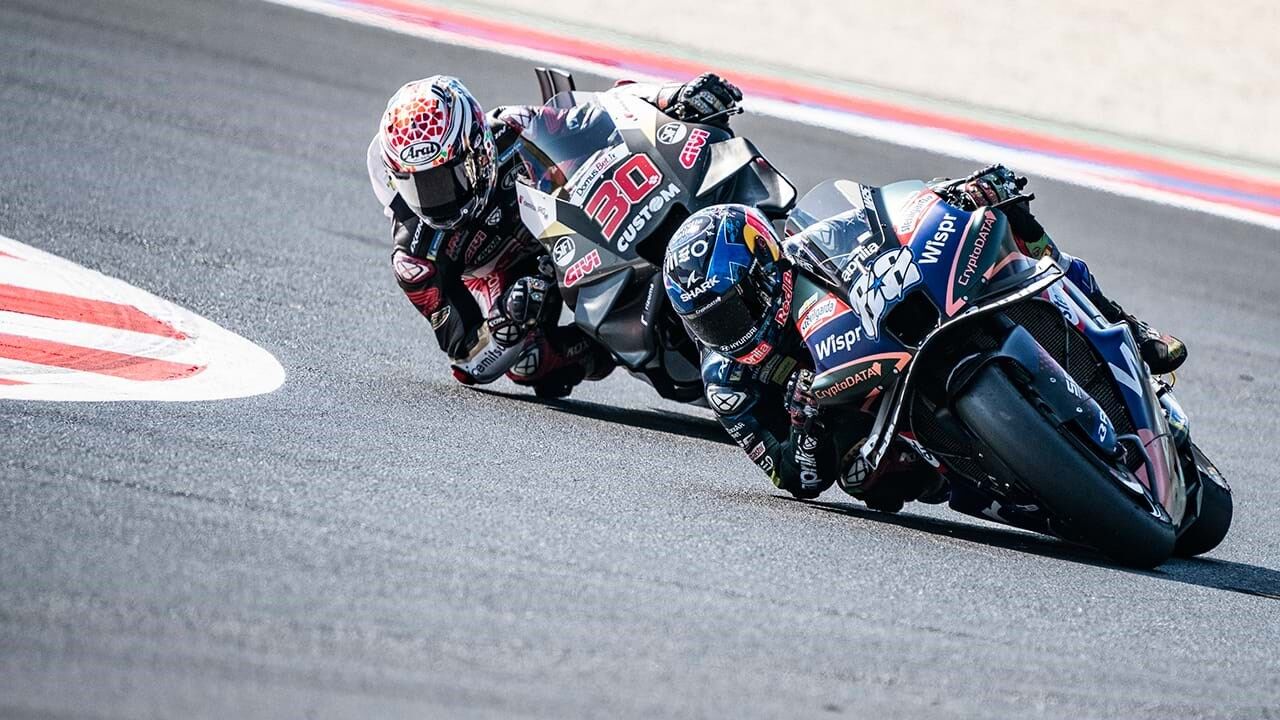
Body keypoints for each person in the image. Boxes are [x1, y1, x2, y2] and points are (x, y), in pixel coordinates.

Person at [661, 168, 1186, 504]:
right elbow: (796, 480)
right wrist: (804, 418)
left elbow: (889, 213)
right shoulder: (728, 383)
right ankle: (995, 471)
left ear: (764, 271)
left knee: (1009, 214)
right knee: (878, 483)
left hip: (895, 329)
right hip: (867, 426)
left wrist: (958, 194)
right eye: (706, 323)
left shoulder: (810, 245)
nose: (723, 333)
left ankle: (1125, 325)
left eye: (729, 314)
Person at [368, 73, 743, 396]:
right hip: (505, 280)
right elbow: (466, 361)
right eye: (417, 185)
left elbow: (604, 109)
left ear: (477, 152)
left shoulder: (512, 128)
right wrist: (505, 324)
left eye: (444, 180)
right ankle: (601, 351)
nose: (435, 201)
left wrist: (672, 96)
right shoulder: (415, 259)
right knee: (527, 364)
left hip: (565, 221)